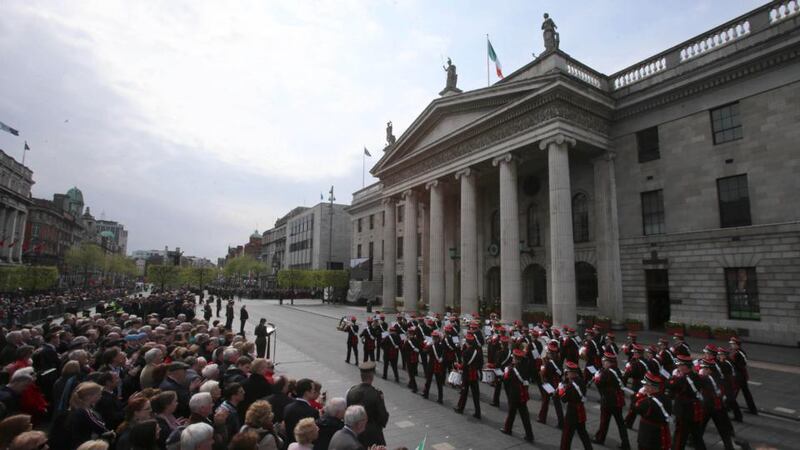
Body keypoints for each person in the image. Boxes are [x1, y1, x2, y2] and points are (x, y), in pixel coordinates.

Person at [591, 352, 630, 450]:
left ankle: (600, 438)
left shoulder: (607, 372)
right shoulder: (615, 370)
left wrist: (596, 376)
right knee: (620, 423)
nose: (603, 363)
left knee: (604, 421)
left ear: (610, 362)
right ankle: (625, 444)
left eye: (605, 361)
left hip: (609, 400)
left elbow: (599, 383)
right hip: (617, 401)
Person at [345, 362, 389, 447]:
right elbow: (383, 418)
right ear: (372, 376)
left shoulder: (351, 391)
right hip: (373, 436)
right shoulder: (376, 394)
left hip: (355, 434)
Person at [669, 354, 706, 450]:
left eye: (679, 365)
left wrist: (673, 377)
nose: (678, 367)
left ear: (685, 366)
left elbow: (669, 386)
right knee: (697, 437)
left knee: (679, 438)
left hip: (684, 412)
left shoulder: (682, 379)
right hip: (695, 410)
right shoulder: (696, 376)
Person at [698, 359, 735, 450]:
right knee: (722, 429)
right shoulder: (717, 376)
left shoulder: (706, 378)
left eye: (704, 368)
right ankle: (729, 446)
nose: (702, 370)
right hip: (719, 406)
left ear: (709, 369)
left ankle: (696, 444)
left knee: (700, 427)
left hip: (708, 407)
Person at [65, 382, 113, 450]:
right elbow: (100, 428)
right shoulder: (85, 411)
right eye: (99, 394)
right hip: (82, 444)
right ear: (89, 397)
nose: (101, 396)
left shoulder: (75, 408)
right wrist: (110, 433)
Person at [499, 349, 534, 443]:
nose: (512, 359)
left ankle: (507, 429)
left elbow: (505, 380)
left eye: (513, 358)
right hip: (523, 394)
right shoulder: (526, 365)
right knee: (525, 416)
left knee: (511, 413)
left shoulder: (511, 369)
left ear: (516, 359)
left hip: (514, 394)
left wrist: (506, 372)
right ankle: (529, 435)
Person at [558, 361, 592, 450]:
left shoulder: (571, 386)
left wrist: (561, 389)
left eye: (567, 372)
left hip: (572, 412)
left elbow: (564, 399)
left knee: (567, 435)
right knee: (583, 433)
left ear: (572, 373)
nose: (566, 374)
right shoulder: (581, 381)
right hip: (580, 410)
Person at [634, 373, 672, 450]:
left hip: (648, 435)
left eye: (645, 385)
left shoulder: (648, 402)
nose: (644, 387)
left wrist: (639, 394)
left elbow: (634, 408)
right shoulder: (667, 399)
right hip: (662, 434)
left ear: (650, 387)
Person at [283, 379, 320, 445]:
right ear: (306, 392)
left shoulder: (287, 407)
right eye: (313, 389)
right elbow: (314, 436)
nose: (314, 391)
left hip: (289, 444)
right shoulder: (312, 412)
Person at [454, 331, 482, 419]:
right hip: (474, 375)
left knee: (464, 392)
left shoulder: (465, 352)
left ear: (467, 342)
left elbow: (464, 365)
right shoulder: (478, 352)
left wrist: (458, 366)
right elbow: (480, 364)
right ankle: (478, 412)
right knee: (476, 395)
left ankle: (460, 408)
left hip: (467, 375)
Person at [538, 340, 564, 428]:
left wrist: (542, 368)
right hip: (557, 384)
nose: (547, 353)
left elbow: (544, 374)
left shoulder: (549, 363)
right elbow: (561, 373)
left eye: (549, 351)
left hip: (549, 384)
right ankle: (561, 422)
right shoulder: (559, 361)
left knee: (545, 401)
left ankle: (542, 418)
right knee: (557, 404)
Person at [728, 337, 757, 415]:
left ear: (737, 345)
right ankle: (752, 409)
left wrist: (733, 363)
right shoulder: (732, 351)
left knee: (734, 392)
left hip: (740, 376)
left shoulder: (740, 353)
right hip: (737, 375)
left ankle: (731, 408)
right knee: (744, 392)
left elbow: (743, 364)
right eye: (731, 344)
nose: (731, 345)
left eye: (733, 344)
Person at [421, 331, 445, 404]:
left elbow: (424, 352)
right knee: (439, 383)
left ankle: (426, 394)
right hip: (438, 365)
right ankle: (440, 398)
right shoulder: (442, 346)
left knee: (429, 381)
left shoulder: (431, 346)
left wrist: (426, 345)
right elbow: (444, 354)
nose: (434, 339)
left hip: (431, 365)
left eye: (434, 337)